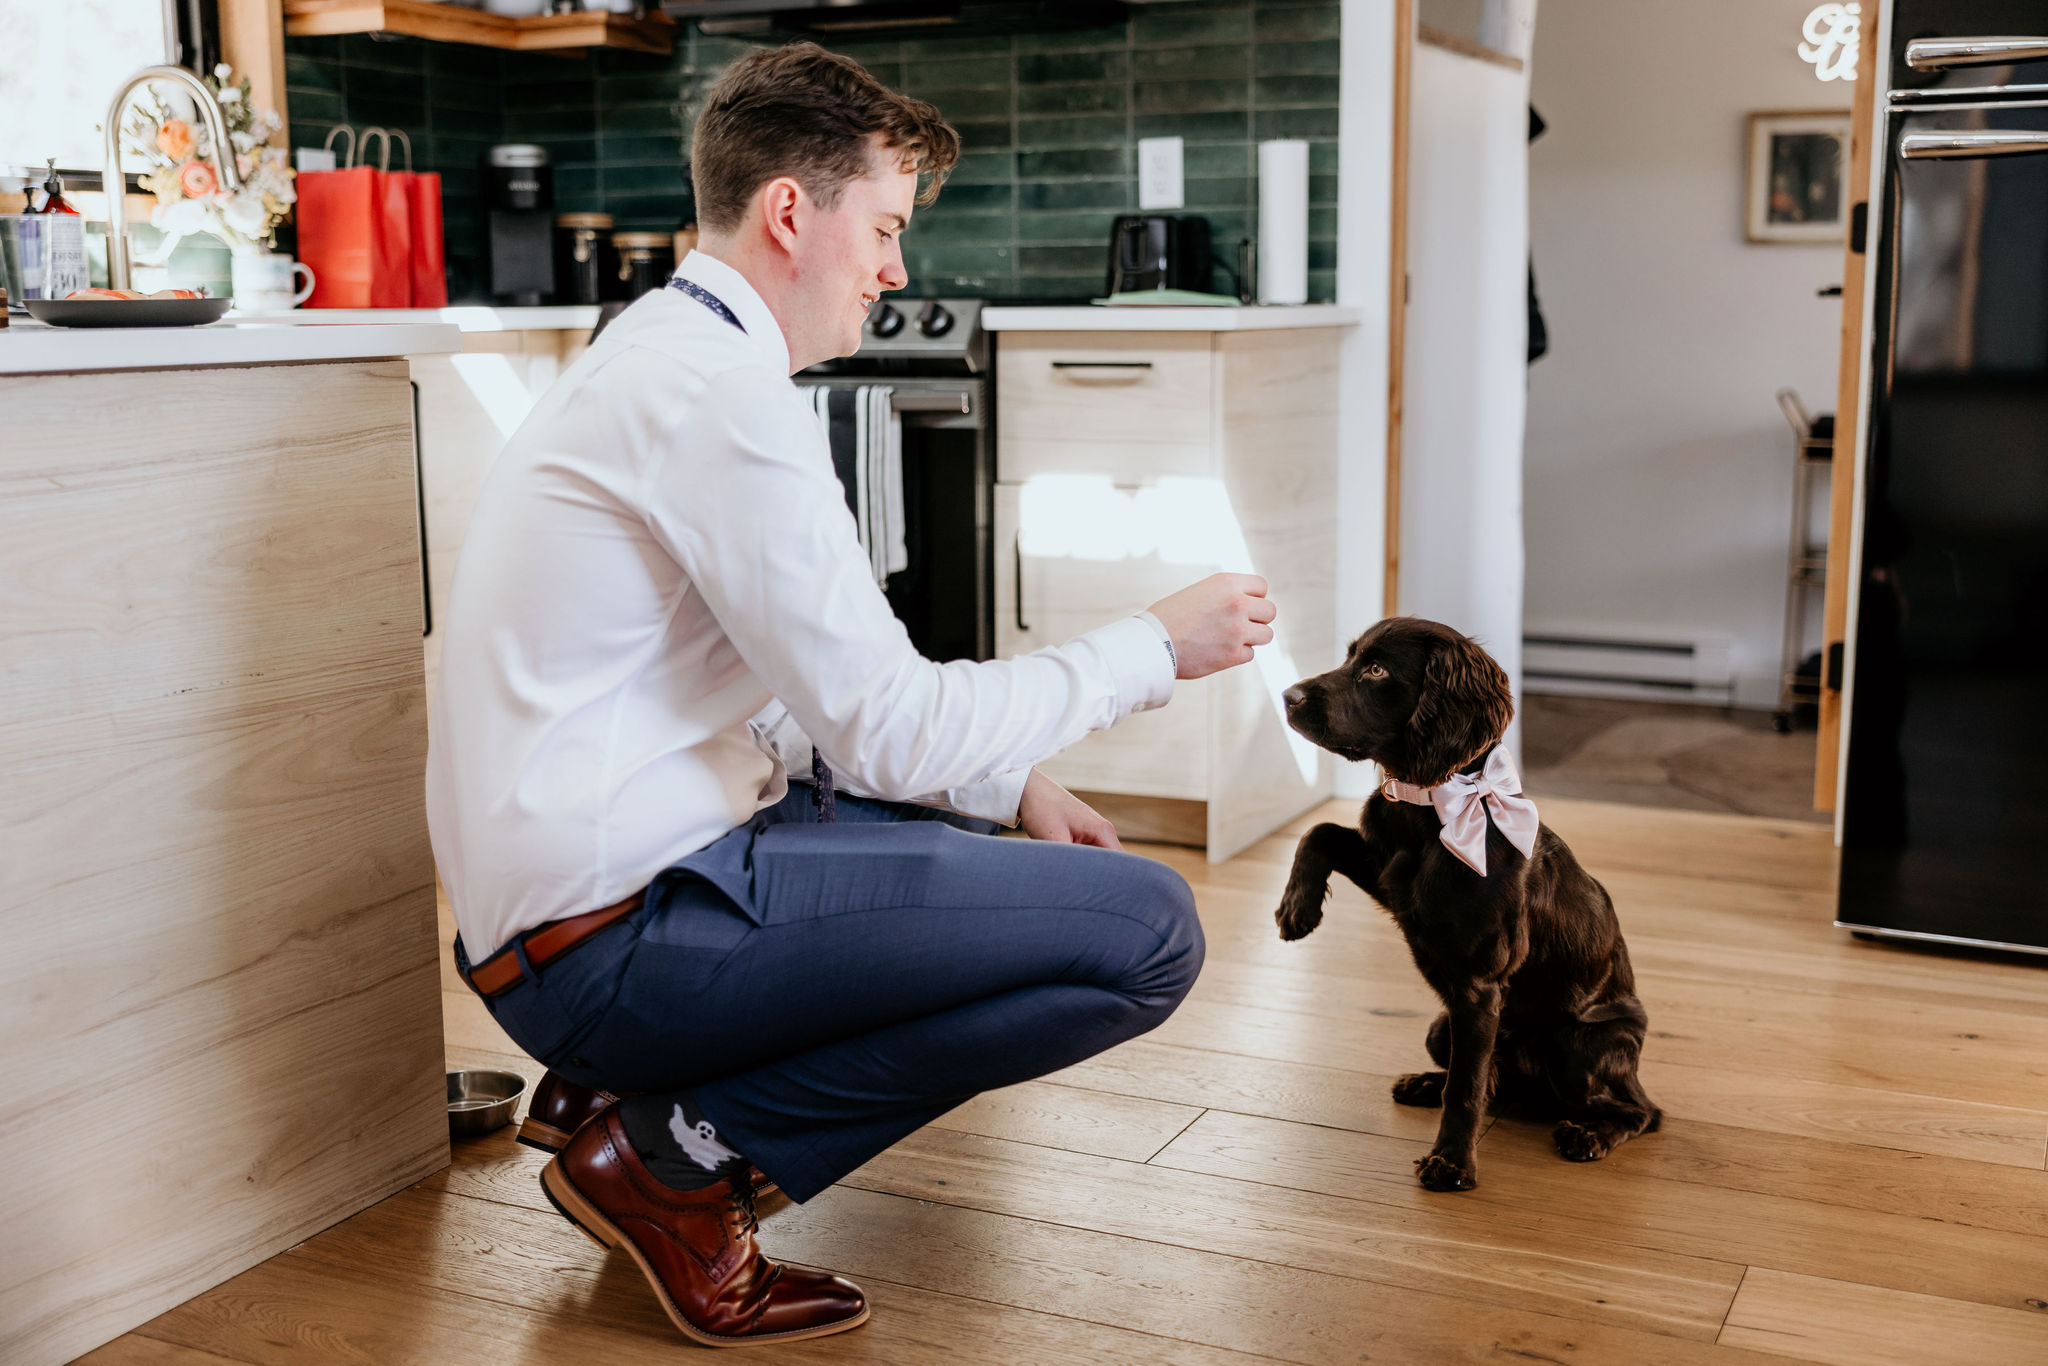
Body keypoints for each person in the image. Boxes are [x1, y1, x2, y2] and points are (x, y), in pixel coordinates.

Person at [425, 42, 1276, 1348]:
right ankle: (677, 1159)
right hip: (605, 946)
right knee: (1149, 930)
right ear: (788, 212)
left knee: (986, 845)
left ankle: (621, 1104)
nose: (895, 271)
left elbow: (790, 703)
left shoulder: (657, 350)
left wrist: (1010, 784)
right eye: (883, 229)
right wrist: (1152, 647)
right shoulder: (720, 398)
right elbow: (884, 727)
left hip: (563, 918)